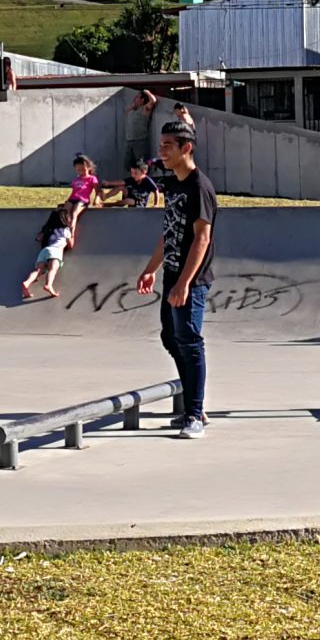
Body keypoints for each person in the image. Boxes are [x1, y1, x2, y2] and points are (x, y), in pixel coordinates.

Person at [136, 118, 217, 438]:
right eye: (161, 146)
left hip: (191, 280)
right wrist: (151, 268)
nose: (162, 152)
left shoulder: (200, 187)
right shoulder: (173, 185)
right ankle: (195, 404)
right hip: (171, 273)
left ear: (186, 148)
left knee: (189, 340)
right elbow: (169, 232)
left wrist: (184, 283)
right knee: (170, 337)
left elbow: (202, 239)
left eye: (168, 146)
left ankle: (194, 414)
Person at [20, 199, 79, 301]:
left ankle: (27, 282)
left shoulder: (49, 230)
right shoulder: (65, 231)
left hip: (44, 251)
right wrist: (72, 234)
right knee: (52, 269)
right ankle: (48, 285)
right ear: (65, 219)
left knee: (38, 270)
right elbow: (70, 246)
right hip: (55, 251)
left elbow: (38, 238)